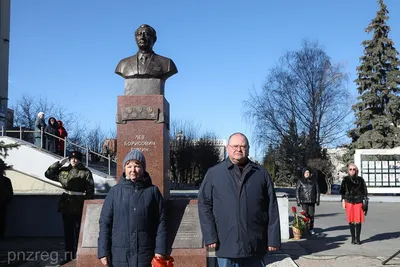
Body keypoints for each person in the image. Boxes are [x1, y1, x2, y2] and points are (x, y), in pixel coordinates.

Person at [198, 132, 281, 267]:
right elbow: (204, 205)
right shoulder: (214, 173)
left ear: (248, 148)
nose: (239, 149)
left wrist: (273, 239)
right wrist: (210, 236)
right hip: (226, 243)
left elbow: (271, 206)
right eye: (235, 146)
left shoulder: (260, 173)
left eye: (243, 146)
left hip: (255, 244)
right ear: (228, 148)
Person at [98, 149, 167, 267]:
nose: (132, 170)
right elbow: (105, 223)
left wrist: (160, 250)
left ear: (143, 168)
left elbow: (161, 223)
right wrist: (103, 251)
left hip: (145, 256)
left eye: (137, 165)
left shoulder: (153, 192)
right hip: (119, 255)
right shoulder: (115, 192)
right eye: (128, 166)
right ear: (124, 168)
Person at [45, 151, 95, 263]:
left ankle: (79, 256)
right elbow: (48, 174)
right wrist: (58, 164)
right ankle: (68, 256)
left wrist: (87, 206)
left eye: (76, 158)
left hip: (79, 204)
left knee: (78, 232)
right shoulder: (64, 170)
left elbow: (90, 191)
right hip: (66, 204)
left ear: (79, 160)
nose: (73, 160)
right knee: (67, 232)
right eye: (72, 158)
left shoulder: (85, 172)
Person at [340, 163, 368, 245]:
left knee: (358, 220)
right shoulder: (345, 179)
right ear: (348, 171)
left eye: (354, 169)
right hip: (349, 201)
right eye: (350, 169)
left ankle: (358, 238)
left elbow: (365, 191)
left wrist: (365, 201)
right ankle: (353, 238)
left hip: (358, 201)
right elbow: (342, 192)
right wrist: (343, 201)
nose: (352, 171)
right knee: (351, 220)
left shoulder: (360, 179)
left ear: (356, 170)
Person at [296, 167, 320, 235]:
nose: (307, 174)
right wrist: (298, 200)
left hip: (312, 201)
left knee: (311, 216)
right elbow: (297, 191)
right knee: (305, 216)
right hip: (304, 201)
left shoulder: (314, 181)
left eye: (308, 172)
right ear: (303, 173)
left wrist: (318, 200)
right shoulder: (300, 181)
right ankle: (304, 228)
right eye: (306, 172)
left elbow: (317, 191)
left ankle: (311, 228)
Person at [0, 160, 13, 240]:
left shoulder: (6, 180)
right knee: (2, 220)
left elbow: (9, 193)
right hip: (2, 203)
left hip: (2, 203)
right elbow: (10, 193)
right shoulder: (6, 180)